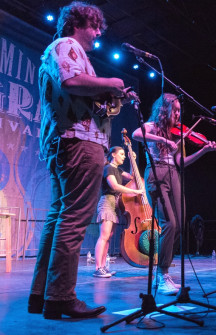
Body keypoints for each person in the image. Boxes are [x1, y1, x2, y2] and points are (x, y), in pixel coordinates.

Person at [28, 1, 139, 319]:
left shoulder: (59, 49)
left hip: (64, 142)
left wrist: (109, 99)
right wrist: (112, 84)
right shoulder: (66, 45)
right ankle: (61, 297)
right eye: (95, 26)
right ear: (78, 23)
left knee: (59, 219)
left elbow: (77, 96)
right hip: (78, 142)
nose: (99, 32)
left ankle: (42, 296)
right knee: (73, 220)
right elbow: (71, 82)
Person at [132, 93, 216, 295]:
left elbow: (180, 163)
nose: (178, 114)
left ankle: (163, 272)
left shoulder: (179, 134)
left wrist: (203, 151)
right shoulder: (152, 126)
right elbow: (137, 134)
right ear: (164, 110)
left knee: (179, 224)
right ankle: (162, 275)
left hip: (173, 174)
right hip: (156, 173)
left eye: (180, 110)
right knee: (169, 223)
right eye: (175, 110)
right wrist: (163, 138)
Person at [93, 147, 143, 278]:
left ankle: (103, 267)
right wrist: (136, 192)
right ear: (113, 155)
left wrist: (133, 160)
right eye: (121, 154)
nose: (123, 156)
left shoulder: (118, 170)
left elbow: (133, 177)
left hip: (114, 204)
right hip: (107, 202)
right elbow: (114, 186)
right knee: (104, 236)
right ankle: (98, 268)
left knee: (108, 237)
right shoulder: (108, 168)